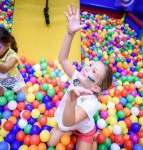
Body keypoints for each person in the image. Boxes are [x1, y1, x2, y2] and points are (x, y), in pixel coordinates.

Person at [47, 4, 113, 150]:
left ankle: (94, 138)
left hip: (83, 129)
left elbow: (70, 120)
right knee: (50, 143)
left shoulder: (91, 103)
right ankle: (70, 132)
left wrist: (72, 99)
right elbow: (63, 59)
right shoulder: (77, 78)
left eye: (93, 71)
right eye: (90, 65)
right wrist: (70, 34)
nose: (87, 68)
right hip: (67, 123)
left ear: (95, 87)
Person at [0, 27, 27, 105]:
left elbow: (4, 69)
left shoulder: (13, 56)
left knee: (26, 103)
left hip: (16, 83)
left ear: (7, 45)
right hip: (2, 83)